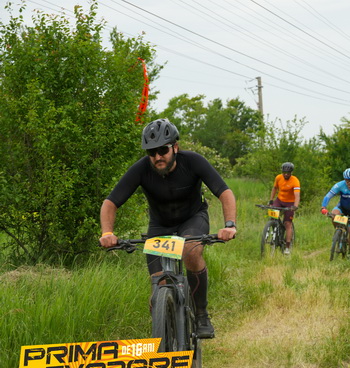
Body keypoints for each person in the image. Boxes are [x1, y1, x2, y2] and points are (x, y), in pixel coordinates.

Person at [99, 118, 236, 339]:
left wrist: (229, 225)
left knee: (190, 250)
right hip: (160, 226)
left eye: (162, 150)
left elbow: (225, 192)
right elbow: (110, 203)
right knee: (158, 286)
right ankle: (167, 338)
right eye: (151, 152)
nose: (157, 156)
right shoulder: (141, 169)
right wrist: (107, 232)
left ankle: (201, 314)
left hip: (192, 219)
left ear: (175, 147)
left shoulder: (193, 161)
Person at [320, 168, 350, 255]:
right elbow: (328, 196)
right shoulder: (339, 185)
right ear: (344, 179)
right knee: (334, 215)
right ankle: (339, 232)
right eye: (347, 180)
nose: (349, 182)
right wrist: (323, 207)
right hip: (342, 207)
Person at [268, 162, 300, 255]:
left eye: (288, 173)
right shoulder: (278, 178)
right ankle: (275, 231)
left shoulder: (295, 180)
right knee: (273, 216)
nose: (286, 174)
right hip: (279, 200)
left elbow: (297, 195)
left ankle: (287, 247)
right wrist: (271, 200)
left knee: (287, 223)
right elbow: (274, 188)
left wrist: (295, 206)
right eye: (284, 172)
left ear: (291, 173)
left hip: (290, 203)